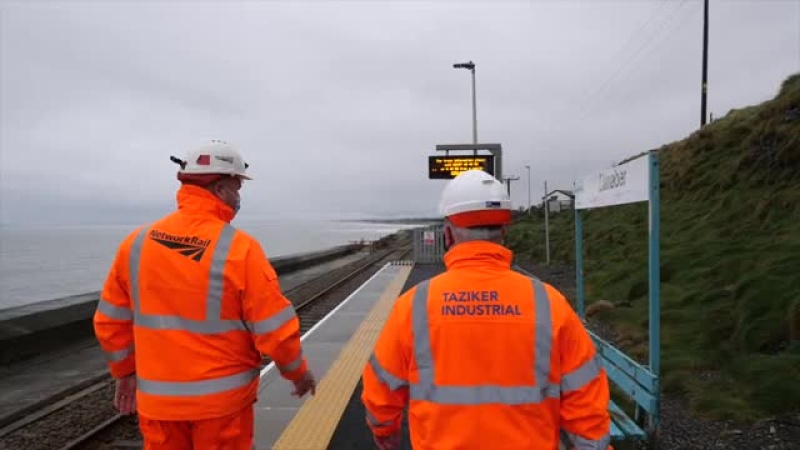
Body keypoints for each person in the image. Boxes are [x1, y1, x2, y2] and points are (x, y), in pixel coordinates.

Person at [361, 169, 613, 450]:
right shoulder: (550, 304)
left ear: (447, 233)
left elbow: (381, 390)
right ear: (504, 232)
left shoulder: (414, 305)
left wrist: (385, 432)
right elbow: (587, 404)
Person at [93, 140, 316, 449]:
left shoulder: (136, 244)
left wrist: (125, 373)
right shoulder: (239, 249)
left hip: (159, 407)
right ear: (220, 188)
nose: (238, 197)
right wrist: (297, 374)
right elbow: (274, 328)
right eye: (237, 188)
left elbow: (109, 322)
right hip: (221, 409)